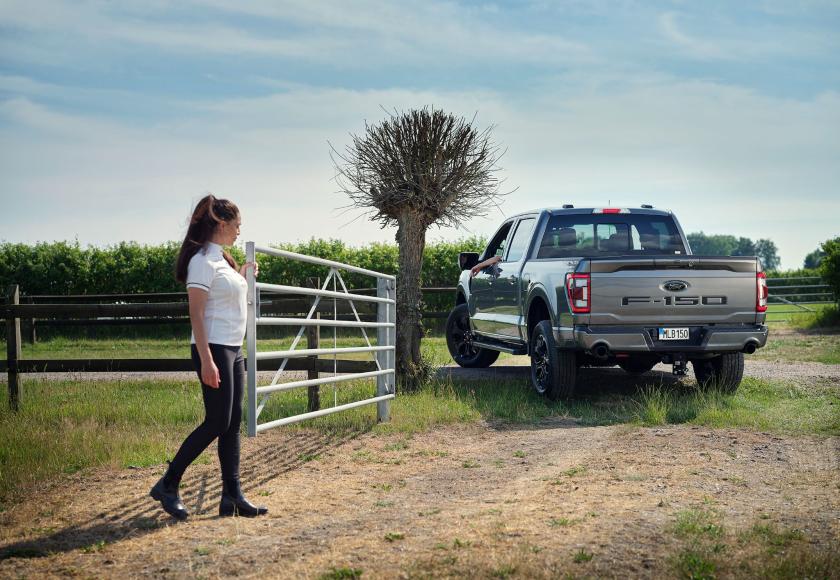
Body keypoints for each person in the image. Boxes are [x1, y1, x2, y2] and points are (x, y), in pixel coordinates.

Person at [150, 194, 267, 520]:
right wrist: (206, 360)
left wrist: (243, 274)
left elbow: (227, 299)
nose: (239, 231)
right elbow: (197, 314)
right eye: (237, 225)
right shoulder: (201, 260)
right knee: (216, 421)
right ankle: (168, 484)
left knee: (230, 425)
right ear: (220, 223)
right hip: (212, 348)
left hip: (232, 349)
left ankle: (231, 497)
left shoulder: (223, 261)